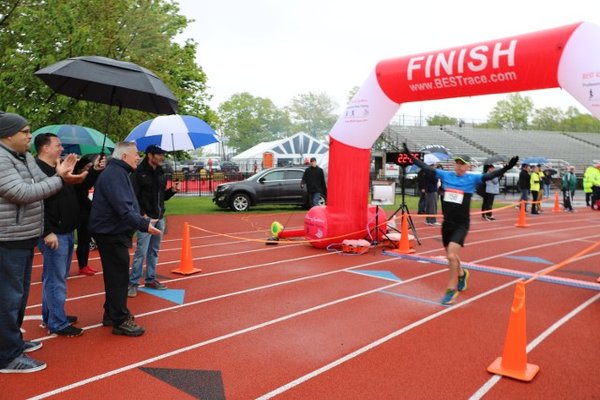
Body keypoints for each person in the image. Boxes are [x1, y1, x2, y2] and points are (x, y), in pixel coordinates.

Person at [0, 112, 78, 373]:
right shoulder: (1, 158)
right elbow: (21, 192)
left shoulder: (24, 157)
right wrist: (59, 179)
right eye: (24, 131)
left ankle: (13, 344)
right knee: (8, 299)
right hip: (7, 239)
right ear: (8, 134)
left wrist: (60, 175)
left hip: (23, 237)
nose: (29, 136)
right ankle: (6, 356)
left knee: (18, 297)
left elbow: (43, 183)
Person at [403, 143, 518, 305]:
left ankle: (451, 289)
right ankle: (463, 273)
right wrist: (409, 155)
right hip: (447, 224)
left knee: (450, 255)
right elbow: (425, 167)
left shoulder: (473, 178)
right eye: (458, 163)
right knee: (453, 256)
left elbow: (489, 176)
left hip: (461, 224)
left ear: (468, 166)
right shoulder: (445, 175)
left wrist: (506, 168)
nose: (460, 166)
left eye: (463, 164)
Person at [89, 142, 161, 337]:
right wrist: (144, 224)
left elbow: (127, 206)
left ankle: (111, 313)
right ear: (123, 157)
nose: (138, 157)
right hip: (111, 233)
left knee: (115, 276)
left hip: (112, 232)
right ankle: (120, 319)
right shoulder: (114, 175)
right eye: (135, 154)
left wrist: (141, 219)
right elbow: (123, 208)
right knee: (118, 278)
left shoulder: (118, 173)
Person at [35, 133, 91, 337]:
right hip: (54, 233)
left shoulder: (56, 170)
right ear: (45, 148)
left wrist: (88, 171)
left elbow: (76, 188)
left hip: (65, 231)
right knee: (55, 279)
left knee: (56, 277)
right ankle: (57, 322)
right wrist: (47, 231)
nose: (61, 148)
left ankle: (52, 315)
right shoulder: (38, 170)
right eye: (57, 145)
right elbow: (37, 203)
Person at [128, 145, 178, 297]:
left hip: (160, 217)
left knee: (154, 251)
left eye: (163, 154)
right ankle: (133, 283)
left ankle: (150, 279)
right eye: (160, 155)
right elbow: (133, 197)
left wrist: (172, 191)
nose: (162, 157)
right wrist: (141, 215)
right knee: (141, 252)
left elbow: (162, 196)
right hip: (146, 219)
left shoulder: (161, 172)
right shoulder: (138, 173)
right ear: (150, 155)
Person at [74, 154, 105, 275]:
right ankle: (82, 265)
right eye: (87, 167)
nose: (88, 169)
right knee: (82, 241)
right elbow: (83, 191)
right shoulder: (76, 180)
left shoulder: (81, 180)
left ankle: (84, 265)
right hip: (80, 213)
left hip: (85, 212)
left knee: (85, 240)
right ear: (80, 168)